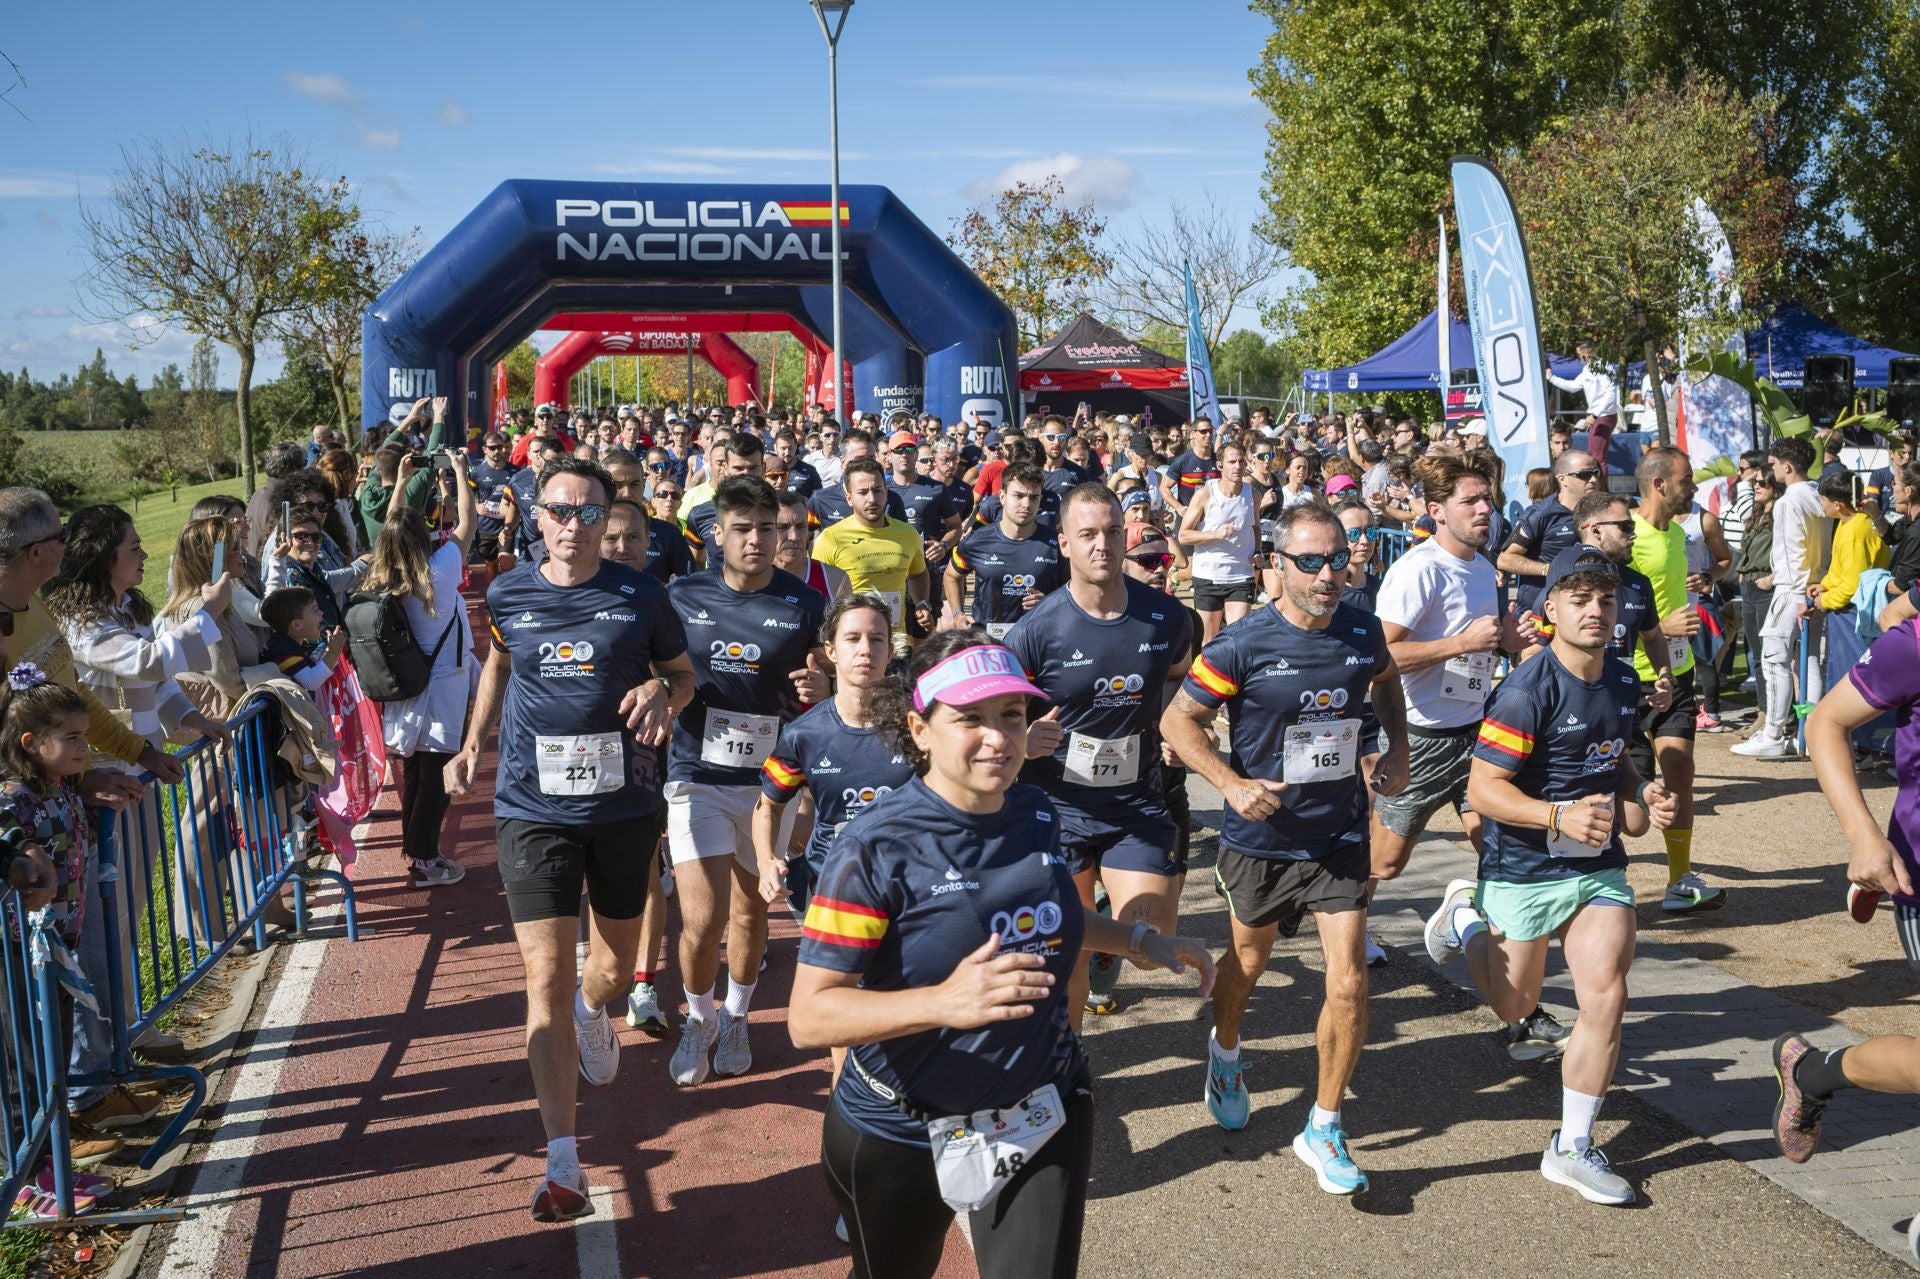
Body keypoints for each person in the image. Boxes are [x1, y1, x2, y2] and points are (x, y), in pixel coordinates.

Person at [788, 629, 1214, 1279]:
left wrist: (1140, 940)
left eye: (1012, 714)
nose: (998, 735)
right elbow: (810, 1017)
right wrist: (943, 1002)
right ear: (920, 727)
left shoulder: (1035, 811)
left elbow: (1051, 911)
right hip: (903, 1128)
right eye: (970, 718)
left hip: (1039, 1103)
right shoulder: (874, 847)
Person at [443, 454, 698, 1222]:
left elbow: (685, 676)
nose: (574, 526)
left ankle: (597, 1011)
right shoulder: (509, 589)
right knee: (545, 979)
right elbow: (499, 663)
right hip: (532, 807)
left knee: (612, 970)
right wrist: (471, 743)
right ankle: (563, 1160)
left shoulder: (642, 593)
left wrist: (664, 689)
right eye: (560, 511)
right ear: (536, 515)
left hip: (624, 810)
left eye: (590, 514)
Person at [1162, 504, 1409, 1191]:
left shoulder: (1361, 628)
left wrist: (1398, 747)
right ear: (1275, 566)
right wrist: (1231, 784)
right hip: (1263, 838)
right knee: (1248, 961)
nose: (1328, 574)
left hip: (1337, 835)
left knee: (1350, 975)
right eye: (1310, 561)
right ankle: (1226, 1047)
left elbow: (1386, 683)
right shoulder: (1242, 645)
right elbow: (1178, 720)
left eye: (1337, 559)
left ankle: (1324, 1124)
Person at [1424, 549, 1677, 1205]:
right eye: (1582, 599)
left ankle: (1572, 1145)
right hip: (1524, 864)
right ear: (1552, 609)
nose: (1597, 610)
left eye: (1608, 600)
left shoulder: (1623, 682)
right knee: (1514, 1006)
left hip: (1596, 868)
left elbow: (1615, 757)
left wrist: (1645, 790)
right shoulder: (1526, 690)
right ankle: (1462, 917)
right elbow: (1483, 789)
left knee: (1606, 996)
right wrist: (1558, 812)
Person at [1371, 456, 1566, 1054]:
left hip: (1479, 731)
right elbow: (1379, 659)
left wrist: (1509, 640)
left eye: (1489, 499)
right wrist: (1463, 641)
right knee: (1384, 865)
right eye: (1471, 501)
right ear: (1437, 512)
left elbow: (1484, 647)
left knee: (1502, 856)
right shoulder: (1417, 571)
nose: (1486, 510)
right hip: (1420, 736)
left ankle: (1520, 1012)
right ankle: (1380, 928)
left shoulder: (1484, 568)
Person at [1005, 484, 1194, 1026]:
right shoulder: (1035, 632)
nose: (1103, 545)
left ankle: (1106, 924)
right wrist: (1022, 741)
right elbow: (991, 720)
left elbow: (1181, 677)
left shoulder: (1167, 617)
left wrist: (1173, 726)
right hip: (1057, 808)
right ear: (1064, 544)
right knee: (1066, 963)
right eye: (1088, 535)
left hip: (1135, 804)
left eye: (1113, 532)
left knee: (1151, 948)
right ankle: (1070, 1067)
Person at [663, 476, 828, 1086]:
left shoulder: (804, 603)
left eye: (769, 528)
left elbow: (822, 684)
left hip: (768, 783)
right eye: (744, 529)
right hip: (696, 776)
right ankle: (698, 1017)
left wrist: (824, 688)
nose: (758, 540)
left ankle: (736, 1014)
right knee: (702, 922)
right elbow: (662, 668)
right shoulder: (680, 595)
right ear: (717, 535)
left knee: (751, 915)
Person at [0, 665, 162, 1198]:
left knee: (52, 1056)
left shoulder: (65, 787)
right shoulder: (13, 799)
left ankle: (54, 1153)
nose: (83, 749)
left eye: (85, 737)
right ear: (31, 742)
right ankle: (28, 1176)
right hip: (21, 954)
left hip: (58, 949)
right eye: (72, 738)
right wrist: (23, 857)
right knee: (26, 1064)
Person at [755, 594, 913, 925]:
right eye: (853, 638)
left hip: (910, 885)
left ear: (891, 650)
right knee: (831, 980)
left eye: (877, 639)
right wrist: (766, 860)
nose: (866, 649)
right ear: (831, 651)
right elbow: (767, 806)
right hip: (833, 886)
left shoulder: (918, 724)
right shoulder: (804, 734)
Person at [364, 454, 478, 886]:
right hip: (443, 689)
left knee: (413, 775)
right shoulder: (441, 569)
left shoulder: (381, 574)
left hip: (403, 685)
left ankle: (416, 851)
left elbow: (393, 522)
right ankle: (426, 859)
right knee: (436, 780)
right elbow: (467, 520)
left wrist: (402, 482)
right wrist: (462, 473)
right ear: (422, 536)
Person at [1738, 437, 1832, 759]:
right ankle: (1809, 734)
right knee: (1806, 661)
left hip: (1794, 589)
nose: (1771, 470)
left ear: (1787, 466)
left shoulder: (1789, 501)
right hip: (1814, 588)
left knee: (1773, 657)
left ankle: (1774, 733)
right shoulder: (1817, 495)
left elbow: (1793, 553)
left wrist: (1795, 591)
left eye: (1774, 464)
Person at [813, 459, 932, 643]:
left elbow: (917, 574)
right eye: (862, 492)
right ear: (849, 498)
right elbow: (816, 595)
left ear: (886, 492)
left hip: (896, 642)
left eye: (877, 490)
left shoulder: (908, 533)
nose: (872, 499)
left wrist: (922, 603)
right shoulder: (830, 539)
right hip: (852, 644)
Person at [943, 463, 1062, 641]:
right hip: (988, 642)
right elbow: (951, 576)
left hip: (1040, 641)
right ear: (1002, 497)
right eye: (1019, 496)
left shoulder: (1057, 544)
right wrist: (958, 614)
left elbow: (1075, 591)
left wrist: (1049, 603)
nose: (1026, 504)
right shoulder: (976, 541)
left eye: (1034, 497)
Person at [1497, 451, 1602, 619]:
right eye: (1585, 475)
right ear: (1562, 479)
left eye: (1596, 473)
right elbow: (1505, 559)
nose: (1593, 480)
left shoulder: (1600, 511)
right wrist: (1550, 569)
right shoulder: (1541, 514)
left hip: (1583, 610)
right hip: (1540, 612)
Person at [1178, 438, 1259, 646]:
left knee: (1238, 638)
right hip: (1209, 574)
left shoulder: (1252, 493)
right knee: (1208, 640)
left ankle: (1234, 678)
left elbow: (1255, 526)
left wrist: (1258, 551)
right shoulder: (1206, 494)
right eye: (1232, 462)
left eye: (1241, 461)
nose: (1238, 466)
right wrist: (1216, 534)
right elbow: (1184, 535)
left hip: (1241, 574)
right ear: (1220, 465)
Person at [1546, 342, 1621, 479]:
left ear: (1586, 354)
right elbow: (1573, 386)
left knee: (1597, 458)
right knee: (1594, 455)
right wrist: (1552, 378)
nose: (1579, 358)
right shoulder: (1588, 369)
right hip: (1600, 416)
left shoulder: (1605, 368)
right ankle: (1599, 490)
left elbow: (1611, 395)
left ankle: (1601, 492)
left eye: (1579, 355)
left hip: (1604, 416)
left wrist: (1594, 414)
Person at [259, 587, 347, 690]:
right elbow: (310, 682)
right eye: (315, 610)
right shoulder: (282, 650)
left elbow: (312, 668)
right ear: (297, 625)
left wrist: (330, 650)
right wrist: (333, 653)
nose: (321, 613)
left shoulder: (290, 643)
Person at [470, 432, 520, 575]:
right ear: (485, 449)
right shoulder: (476, 473)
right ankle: (491, 595)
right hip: (486, 526)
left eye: (499, 447)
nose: (497, 451)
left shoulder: (515, 472)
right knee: (491, 565)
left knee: (506, 563)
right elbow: (468, 495)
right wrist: (476, 505)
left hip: (507, 526)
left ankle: (506, 595)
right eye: (492, 448)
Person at [1160, 419, 1219, 511]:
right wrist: (1179, 507)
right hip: (1188, 517)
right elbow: (1164, 487)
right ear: (1193, 434)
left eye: (1210, 431)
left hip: (1212, 517)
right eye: (1203, 431)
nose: (1208, 434)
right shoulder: (1182, 460)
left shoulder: (1219, 460)